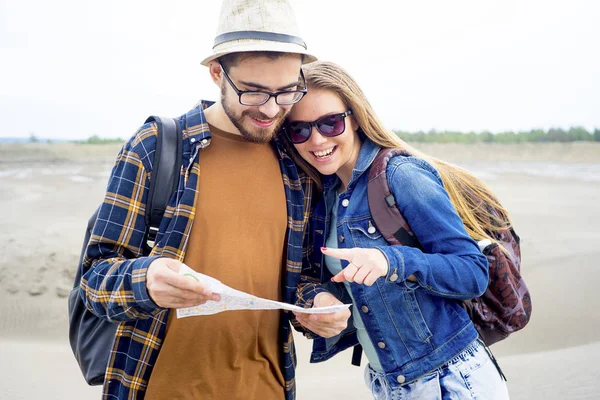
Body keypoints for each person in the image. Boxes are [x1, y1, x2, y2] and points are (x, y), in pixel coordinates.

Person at [78, 1, 350, 399]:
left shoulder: (296, 161)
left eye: (287, 91)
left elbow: (299, 278)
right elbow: (94, 278)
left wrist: (319, 305)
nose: (272, 109)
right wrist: (145, 282)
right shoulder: (157, 146)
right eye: (254, 93)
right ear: (217, 73)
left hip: (268, 388)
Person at [285, 61, 511, 399]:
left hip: (450, 379)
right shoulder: (325, 195)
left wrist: (390, 261)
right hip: (387, 382)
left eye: (330, 123)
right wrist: (317, 302)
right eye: (300, 129)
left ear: (356, 118)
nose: (316, 140)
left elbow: (472, 272)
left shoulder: (401, 174)